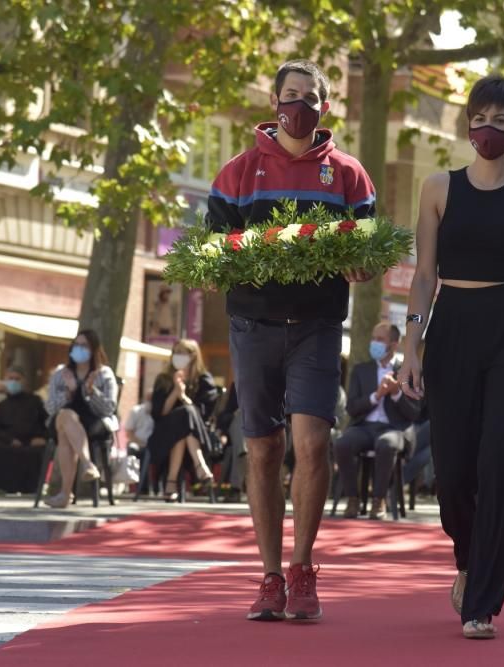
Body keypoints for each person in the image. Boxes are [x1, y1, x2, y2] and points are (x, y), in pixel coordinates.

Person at [205, 59, 376, 622]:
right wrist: (222, 264)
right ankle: (270, 577)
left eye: (311, 97)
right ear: (274, 101)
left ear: (325, 108)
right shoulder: (237, 172)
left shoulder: (350, 175)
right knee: (263, 449)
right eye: (290, 94)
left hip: (318, 328)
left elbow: (368, 248)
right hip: (252, 328)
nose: (299, 104)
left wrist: (360, 265)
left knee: (312, 444)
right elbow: (214, 249)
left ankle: (303, 571)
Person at [398, 74, 504, 640]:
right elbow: (424, 277)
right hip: (452, 330)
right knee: (452, 475)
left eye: (502, 120)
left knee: (502, 463)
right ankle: (469, 560)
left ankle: (483, 601)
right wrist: (410, 343)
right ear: (466, 121)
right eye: (481, 116)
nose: (489, 128)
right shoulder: (436, 188)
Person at [333, 322, 421, 519]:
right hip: (364, 427)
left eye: (380, 340)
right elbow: (352, 408)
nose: (375, 343)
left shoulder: (407, 371)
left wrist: (397, 393)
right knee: (342, 443)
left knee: (386, 444)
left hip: (394, 429)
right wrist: (377, 395)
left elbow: (415, 413)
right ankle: (352, 499)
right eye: (374, 338)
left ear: (394, 344)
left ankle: (378, 500)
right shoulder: (360, 370)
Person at [41, 330, 119, 508]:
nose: (79, 349)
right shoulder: (61, 373)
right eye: (76, 345)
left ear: (94, 350)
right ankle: (87, 464)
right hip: (62, 418)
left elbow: (109, 408)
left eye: (84, 346)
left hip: (93, 422)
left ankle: (65, 495)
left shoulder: (104, 373)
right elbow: (50, 407)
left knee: (65, 434)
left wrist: (92, 392)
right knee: (66, 417)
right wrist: (68, 393)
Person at [147, 339, 219, 501]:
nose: (177, 356)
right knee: (183, 421)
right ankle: (200, 467)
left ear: (193, 356)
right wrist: (175, 393)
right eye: (175, 353)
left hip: (197, 437)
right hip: (163, 438)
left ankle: (170, 483)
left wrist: (184, 397)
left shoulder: (204, 380)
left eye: (182, 353)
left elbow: (202, 417)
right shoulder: (163, 379)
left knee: (185, 422)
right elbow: (158, 414)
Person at [0, 366, 49, 494]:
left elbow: (46, 424)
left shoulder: (35, 401)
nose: (14, 381)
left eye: (17, 379)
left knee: (35, 453)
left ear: (24, 381)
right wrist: (10, 440)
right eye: (11, 378)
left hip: (31, 442)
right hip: (8, 442)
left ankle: (30, 489)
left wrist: (43, 438)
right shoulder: (1, 405)